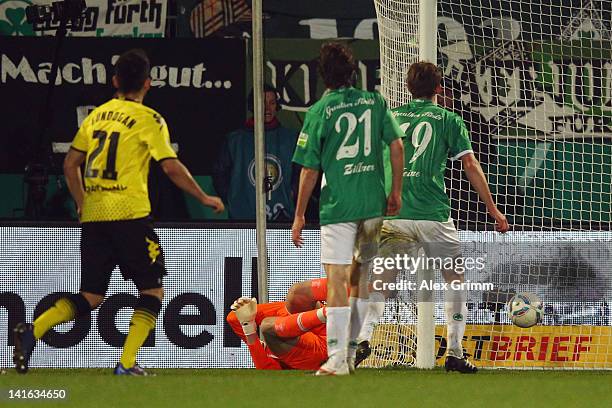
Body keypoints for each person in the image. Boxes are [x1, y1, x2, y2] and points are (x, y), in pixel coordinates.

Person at [12, 49, 224, 376]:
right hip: (129, 215)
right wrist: (203, 196)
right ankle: (126, 362)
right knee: (152, 290)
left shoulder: (95, 117)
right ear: (148, 83)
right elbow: (170, 167)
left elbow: (70, 164)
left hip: (95, 217)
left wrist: (82, 201)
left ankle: (33, 330)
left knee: (92, 294)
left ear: (114, 81)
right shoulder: (149, 119)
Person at [375, 61, 508, 373]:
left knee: (382, 280)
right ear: (438, 88)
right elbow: (471, 166)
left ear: (407, 88)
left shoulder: (389, 118)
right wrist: (493, 210)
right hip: (433, 215)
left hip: (395, 213)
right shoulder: (449, 119)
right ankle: (456, 352)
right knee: (454, 279)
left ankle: (364, 338)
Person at [291, 42, 405, 375]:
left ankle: (338, 356)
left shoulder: (317, 112)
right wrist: (394, 191)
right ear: (353, 72)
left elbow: (309, 170)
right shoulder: (376, 102)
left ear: (321, 74)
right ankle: (352, 348)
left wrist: (299, 215)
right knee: (362, 275)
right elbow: (396, 146)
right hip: (372, 204)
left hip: (338, 206)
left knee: (337, 277)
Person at [213, 85, 298, 221]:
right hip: (242, 220)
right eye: (262, 103)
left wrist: (291, 194)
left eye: (272, 103)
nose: (267, 108)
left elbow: (300, 174)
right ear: (252, 105)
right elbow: (219, 174)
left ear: (277, 106)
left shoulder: (291, 138)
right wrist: (233, 200)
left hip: (283, 218)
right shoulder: (234, 140)